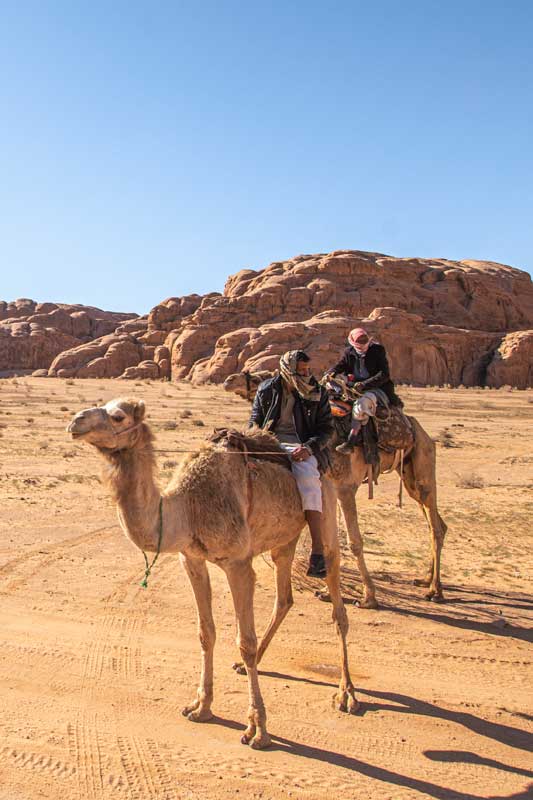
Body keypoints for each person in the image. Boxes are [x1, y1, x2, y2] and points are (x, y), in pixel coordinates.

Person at [249, 350, 333, 578]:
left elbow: (326, 429)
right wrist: (254, 443)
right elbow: (255, 421)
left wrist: (308, 448)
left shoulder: (316, 392)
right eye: (302, 370)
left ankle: (317, 552)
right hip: (269, 443)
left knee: (308, 479)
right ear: (289, 369)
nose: (306, 374)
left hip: (301, 446)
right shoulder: (267, 389)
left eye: (307, 369)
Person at [327, 327, 402, 454]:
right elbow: (340, 366)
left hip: (377, 389)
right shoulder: (349, 352)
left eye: (364, 341)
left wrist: (364, 384)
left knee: (361, 405)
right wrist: (330, 374)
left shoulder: (377, 350)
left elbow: (384, 374)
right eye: (359, 342)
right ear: (352, 342)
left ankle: (351, 440)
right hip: (354, 388)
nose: (362, 345)